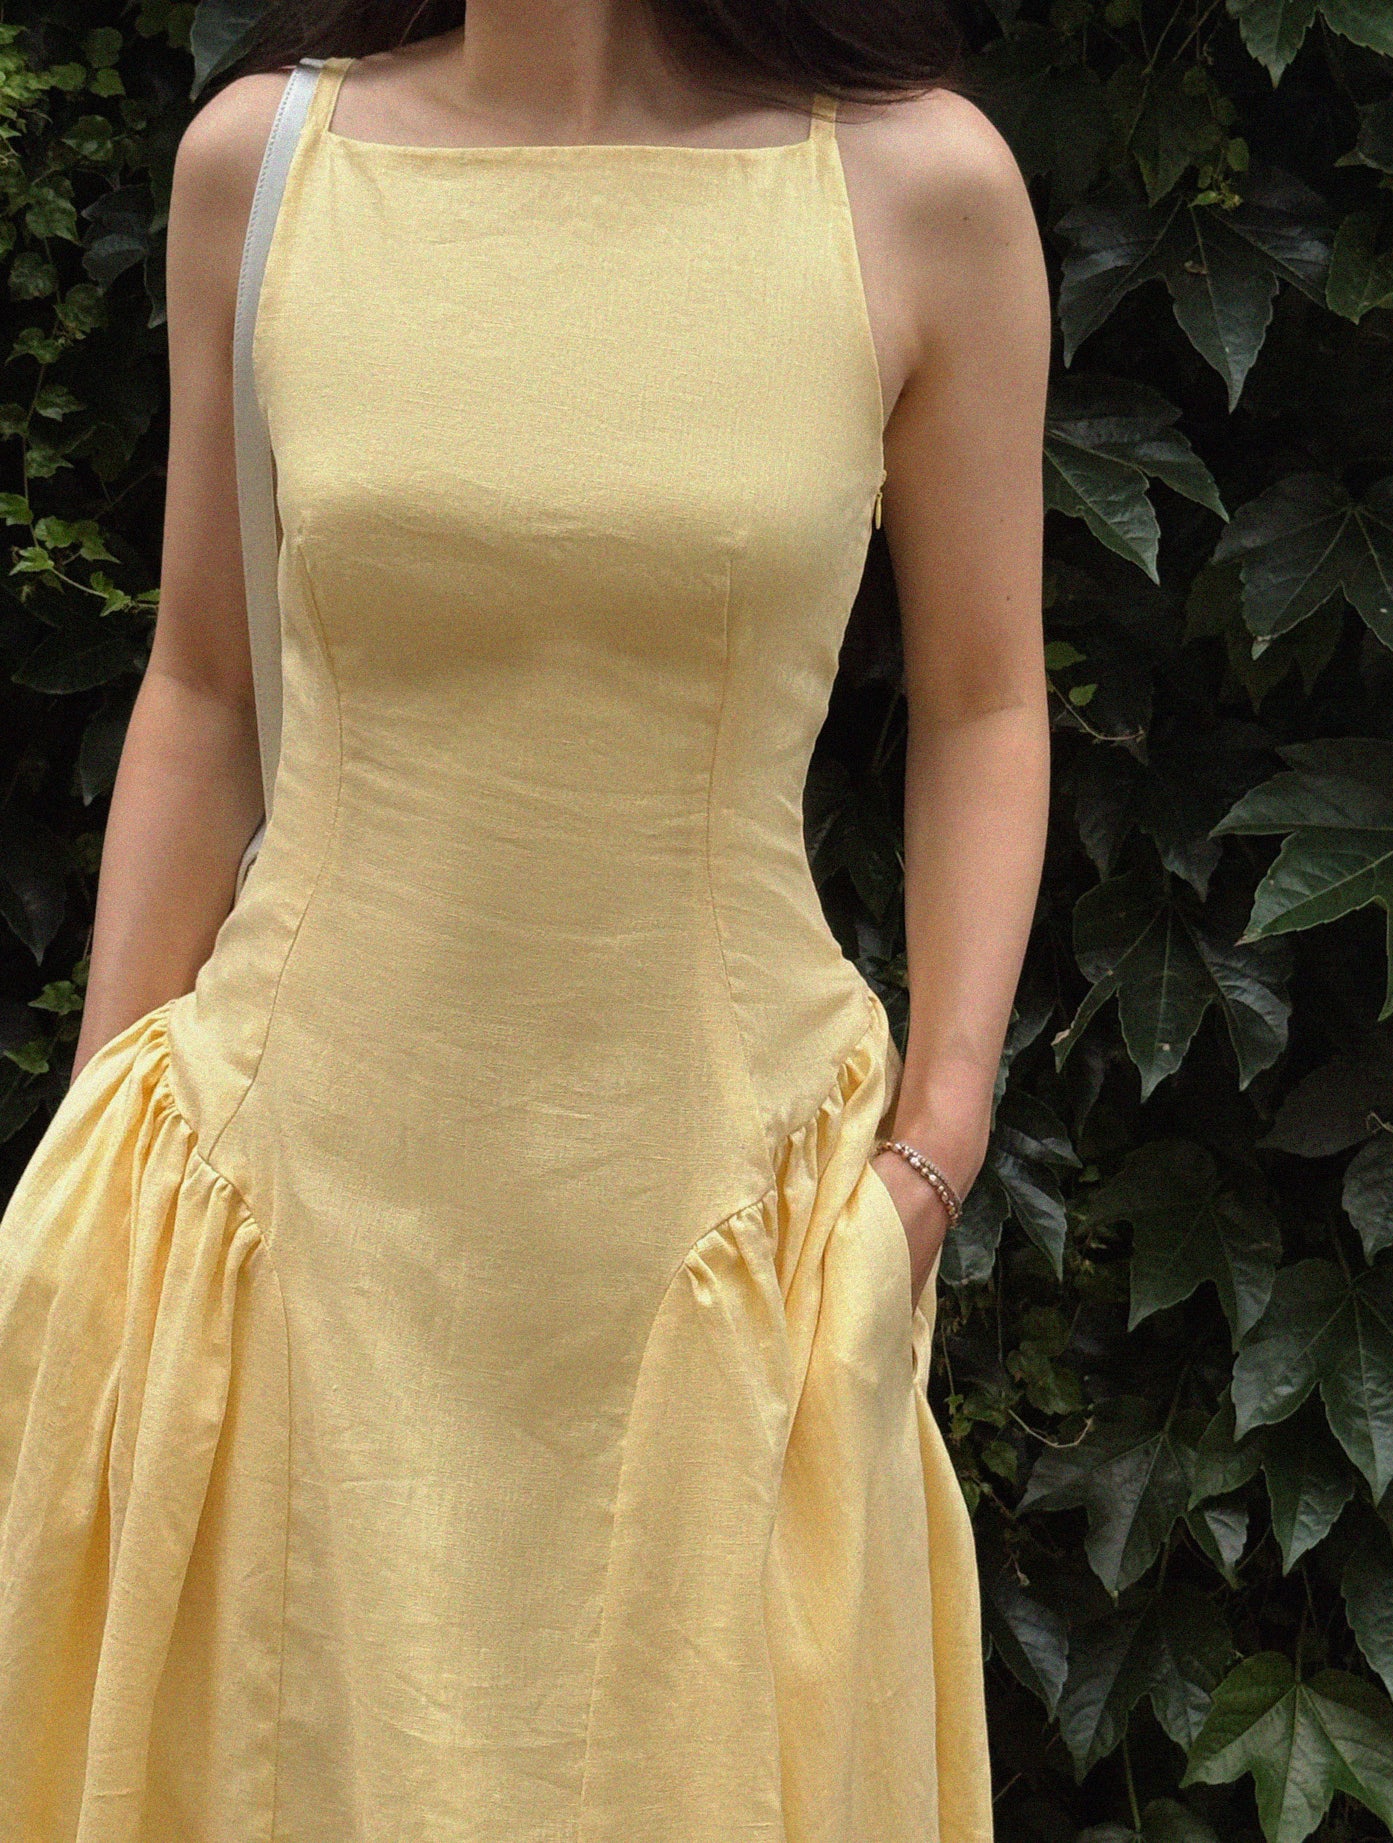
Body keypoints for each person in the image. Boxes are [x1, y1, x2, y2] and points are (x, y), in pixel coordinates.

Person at [0, 1, 1051, 1835]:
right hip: (295, 1237)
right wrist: (95, 1124)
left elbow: (982, 701)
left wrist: (938, 1143)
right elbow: (204, 686)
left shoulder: (914, 187)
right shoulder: (263, 170)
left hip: (714, 1247)